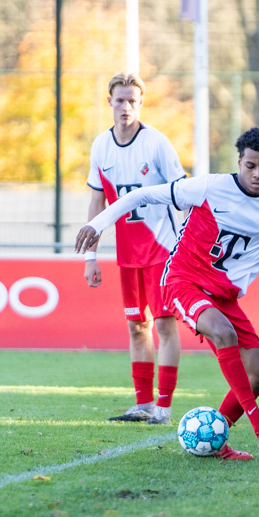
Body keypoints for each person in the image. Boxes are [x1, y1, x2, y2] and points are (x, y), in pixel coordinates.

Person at [76, 128, 259, 460]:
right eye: (250, 166)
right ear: (239, 161)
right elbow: (138, 196)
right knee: (223, 332)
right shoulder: (209, 187)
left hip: (223, 295)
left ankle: (216, 441)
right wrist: (97, 224)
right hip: (183, 280)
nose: (256, 174)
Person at [84, 73, 186, 426]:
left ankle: (164, 407)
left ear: (140, 103)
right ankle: (143, 404)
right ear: (109, 102)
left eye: (132, 100)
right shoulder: (101, 146)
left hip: (162, 251)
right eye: (119, 100)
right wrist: (91, 256)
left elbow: (183, 194)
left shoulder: (156, 143)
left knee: (165, 326)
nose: (125, 106)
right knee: (136, 327)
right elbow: (96, 204)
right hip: (127, 256)